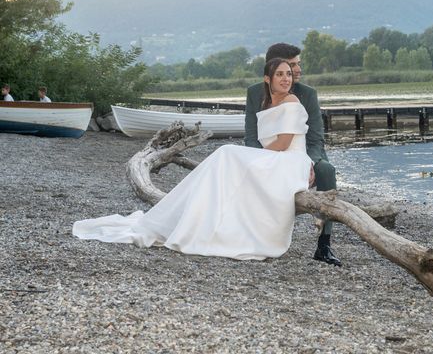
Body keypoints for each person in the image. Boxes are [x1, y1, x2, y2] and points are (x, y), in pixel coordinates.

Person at [73, 58, 314, 260]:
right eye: (280, 74)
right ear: (267, 79)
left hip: (289, 160)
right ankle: (201, 217)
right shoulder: (268, 102)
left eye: (289, 74)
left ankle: (205, 220)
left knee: (227, 153)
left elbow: (283, 144)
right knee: (226, 156)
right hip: (274, 157)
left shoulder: (292, 101)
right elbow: (268, 143)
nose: (286, 79)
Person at [245, 43, 342, 266]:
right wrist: (261, 159)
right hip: (269, 153)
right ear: (271, 70)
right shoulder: (254, 93)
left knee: (326, 170)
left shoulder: (307, 94)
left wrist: (308, 162)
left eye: (297, 65)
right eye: (293, 65)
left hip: (304, 154)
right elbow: (251, 135)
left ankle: (324, 244)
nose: (298, 70)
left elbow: (316, 138)